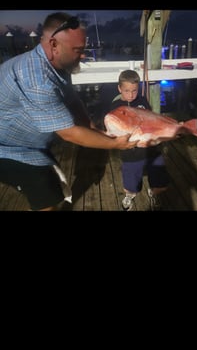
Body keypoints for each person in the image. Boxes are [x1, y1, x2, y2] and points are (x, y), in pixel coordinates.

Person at [0, 13, 138, 211]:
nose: (83, 55)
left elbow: (73, 101)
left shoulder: (59, 65)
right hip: (9, 149)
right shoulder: (37, 80)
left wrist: (94, 129)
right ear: (54, 44)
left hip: (31, 144)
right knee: (46, 200)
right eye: (78, 50)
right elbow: (69, 133)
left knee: (50, 191)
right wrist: (115, 143)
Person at [109, 69, 170, 210]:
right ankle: (130, 195)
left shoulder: (142, 101)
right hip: (131, 153)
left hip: (151, 150)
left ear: (139, 88)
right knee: (130, 180)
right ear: (119, 88)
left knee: (159, 178)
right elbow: (114, 130)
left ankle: (153, 193)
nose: (131, 94)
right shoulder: (116, 107)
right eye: (126, 90)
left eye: (134, 90)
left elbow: (151, 120)